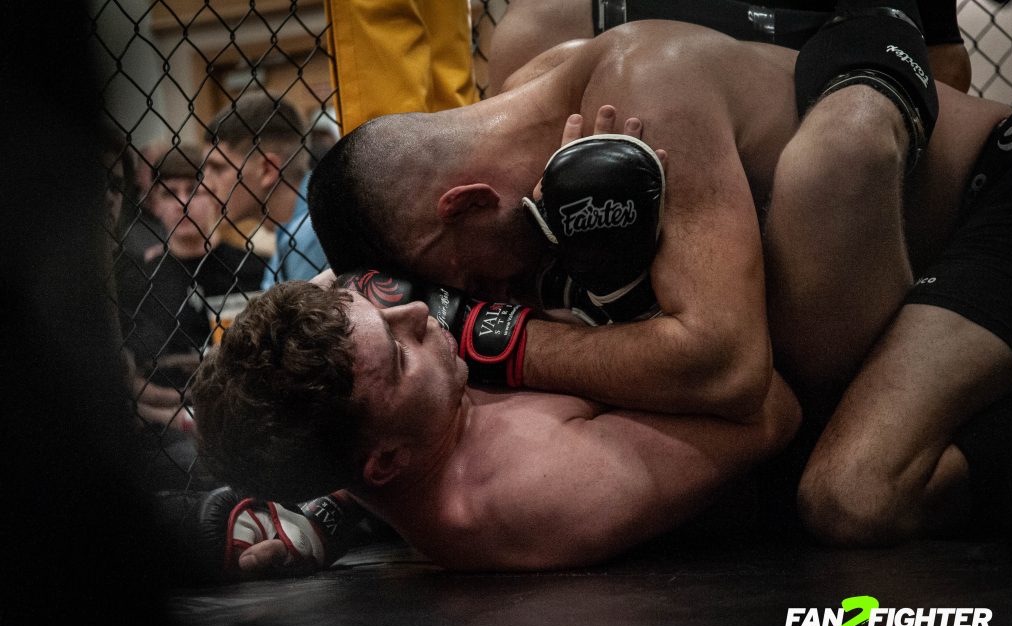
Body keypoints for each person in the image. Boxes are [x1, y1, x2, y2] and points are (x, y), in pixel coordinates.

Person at [308, 19, 1012, 546]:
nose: (484, 297)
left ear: (464, 203)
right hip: (904, 284)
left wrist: (503, 338)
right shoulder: (535, 148)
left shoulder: (642, 88)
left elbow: (730, 372)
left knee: (855, 493)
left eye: (463, 277)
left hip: (994, 205)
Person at [191, 274, 801, 571]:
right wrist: (623, 285)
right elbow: (772, 407)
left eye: (383, 310)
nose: (418, 313)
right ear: (383, 462)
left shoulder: (400, 422)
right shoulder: (533, 487)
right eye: (401, 355)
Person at [488, 0, 971, 96]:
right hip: (653, 19)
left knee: (852, 138)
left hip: (811, 41)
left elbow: (945, 62)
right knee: (534, 26)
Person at [117, 143, 264, 392]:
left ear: (216, 197)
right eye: (170, 193)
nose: (182, 202)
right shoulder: (139, 280)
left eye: (194, 191)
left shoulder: (253, 269)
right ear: (154, 204)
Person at [202, 93, 327, 287]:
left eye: (218, 168)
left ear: (267, 170)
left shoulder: (311, 232)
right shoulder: (291, 230)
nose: (205, 185)